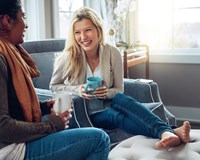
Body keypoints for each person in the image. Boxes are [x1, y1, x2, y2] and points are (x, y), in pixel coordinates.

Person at [50, 6, 191, 150]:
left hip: (110, 102)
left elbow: (119, 89)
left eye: (88, 30)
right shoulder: (68, 56)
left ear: (98, 30)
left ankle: (167, 133)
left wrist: (106, 92)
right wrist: (78, 90)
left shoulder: (112, 52)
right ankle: (170, 131)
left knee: (121, 98)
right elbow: (54, 86)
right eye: (77, 33)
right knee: (115, 116)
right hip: (87, 112)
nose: (83, 37)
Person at [0, 1, 110, 160]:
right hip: (10, 151)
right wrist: (52, 125)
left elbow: (10, 107)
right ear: (7, 21)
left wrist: (44, 107)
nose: (26, 25)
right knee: (99, 139)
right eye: (23, 17)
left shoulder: (9, 53)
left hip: (13, 145)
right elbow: (2, 127)